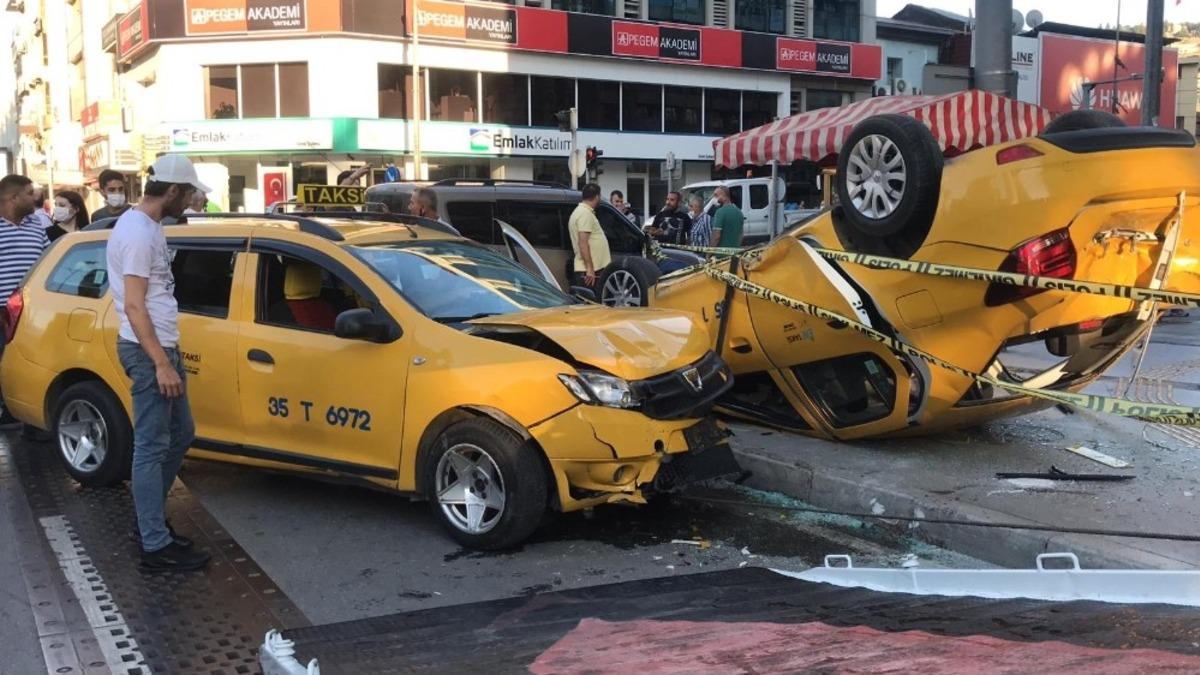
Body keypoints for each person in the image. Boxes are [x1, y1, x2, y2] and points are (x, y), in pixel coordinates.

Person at [107, 154, 211, 572]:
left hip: (161, 348)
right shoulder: (137, 234)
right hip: (148, 351)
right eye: (187, 193)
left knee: (181, 433)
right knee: (151, 446)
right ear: (172, 191)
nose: (189, 200)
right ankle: (153, 544)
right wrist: (161, 364)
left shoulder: (149, 228)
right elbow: (134, 306)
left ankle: (148, 520)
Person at [0, 175, 49, 430]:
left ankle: (23, 415)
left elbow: (47, 258)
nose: (35, 198)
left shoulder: (36, 225)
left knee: (28, 363)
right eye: (30, 193)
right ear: (13, 198)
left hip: (32, 311)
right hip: (2, 311)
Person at [568, 183, 611, 291]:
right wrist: (590, 268)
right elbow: (583, 243)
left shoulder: (582, 212)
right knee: (592, 304)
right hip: (590, 272)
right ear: (597, 196)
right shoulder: (584, 214)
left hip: (591, 269)